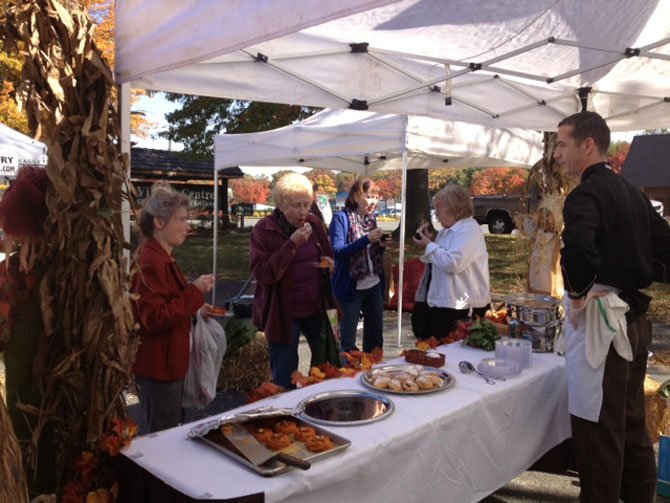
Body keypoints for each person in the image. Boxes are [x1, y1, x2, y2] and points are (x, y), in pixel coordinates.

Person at [556, 111, 670, 502]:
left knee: (601, 428)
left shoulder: (587, 194)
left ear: (588, 145)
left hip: (610, 322)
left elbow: (578, 250)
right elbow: (664, 244)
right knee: (632, 419)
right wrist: (637, 268)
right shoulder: (632, 193)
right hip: (635, 319)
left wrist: (577, 294)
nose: (558, 154)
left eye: (562, 144)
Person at [132, 182, 215, 433]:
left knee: (171, 429)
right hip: (159, 367)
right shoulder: (150, 261)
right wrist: (195, 292)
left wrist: (196, 307)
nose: (188, 226)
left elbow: (169, 303)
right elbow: (154, 318)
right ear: (159, 222)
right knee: (164, 435)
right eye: (181, 219)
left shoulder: (162, 256)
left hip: (168, 364)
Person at [250, 173, 338, 389]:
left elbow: (328, 256)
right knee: (285, 376)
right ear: (280, 205)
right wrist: (292, 244)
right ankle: (286, 420)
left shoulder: (314, 223)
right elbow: (262, 274)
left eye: (307, 205)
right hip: (283, 314)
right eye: (296, 205)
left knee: (326, 370)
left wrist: (328, 262)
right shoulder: (265, 229)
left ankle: (321, 413)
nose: (303, 211)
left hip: (318, 309)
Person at [0, 166, 56, 497]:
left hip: (27, 383)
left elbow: (4, 329)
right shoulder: (57, 266)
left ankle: (33, 488)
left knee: (26, 429)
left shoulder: (14, 274)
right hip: (43, 380)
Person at [412, 184, 491, 339]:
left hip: (461, 307)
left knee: (454, 354)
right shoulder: (445, 232)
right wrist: (429, 242)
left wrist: (429, 245)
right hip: (441, 304)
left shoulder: (469, 230)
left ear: (455, 209)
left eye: (439, 209)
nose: (436, 214)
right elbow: (439, 260)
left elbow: (453, 263)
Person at [330, 178, 386, 353]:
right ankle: (348, 375)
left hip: (373, 285)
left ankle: (373, 373)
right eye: (369, 196)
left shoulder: (371, 219)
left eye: (376, 197)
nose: (374, 202)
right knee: (347, 339)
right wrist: (367, 239)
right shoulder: (341, 218)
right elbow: (338, 251)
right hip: (350, 287)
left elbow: (371, 254)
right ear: (356, 197)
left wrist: (380, 246)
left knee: (375, 337)